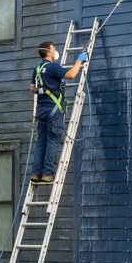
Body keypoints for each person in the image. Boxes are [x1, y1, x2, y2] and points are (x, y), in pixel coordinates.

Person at [30, 41, 88, 183]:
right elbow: (72, 74)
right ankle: (47, 174)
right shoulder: (52, 67)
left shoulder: (37, 69)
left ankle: (36, 174)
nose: (56, 51)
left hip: (42, 111)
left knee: (41, 142)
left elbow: (33, 88)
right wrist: (79, 60)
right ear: (48, 53)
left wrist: (47, 87)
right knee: (52, 141)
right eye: (54, 48)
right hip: (53, 111)